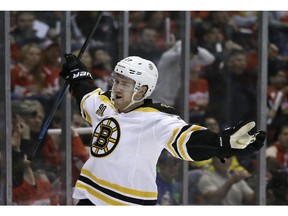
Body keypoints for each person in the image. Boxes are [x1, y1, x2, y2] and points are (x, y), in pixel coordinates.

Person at [59, 53, 266, 205]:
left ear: (141, 90)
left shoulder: (157, 119)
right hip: (90, 196)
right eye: (116, 81)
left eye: (125, 84)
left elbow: (187, 139)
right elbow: (86, 95)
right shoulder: (105, 104)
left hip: (129, 202)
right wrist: (78, 75)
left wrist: (223, 143)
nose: (117, 88)